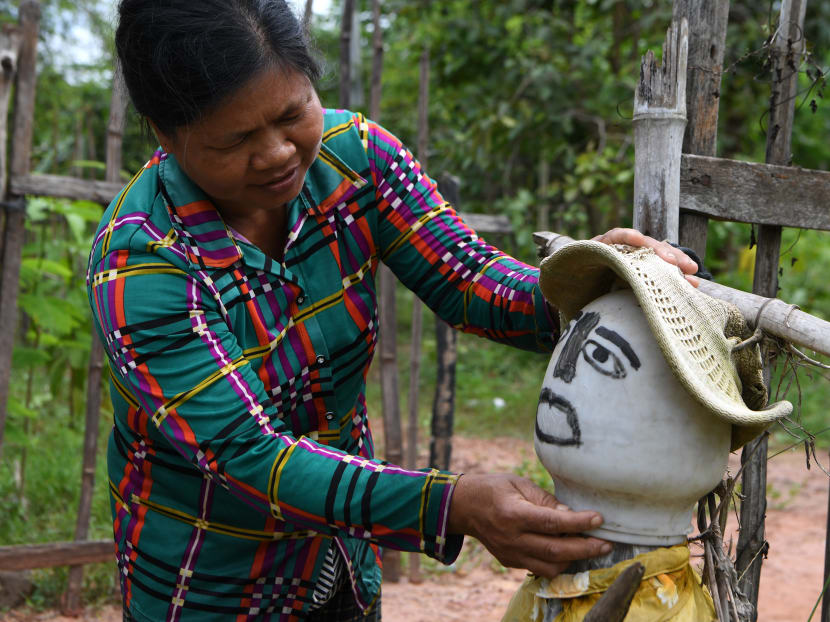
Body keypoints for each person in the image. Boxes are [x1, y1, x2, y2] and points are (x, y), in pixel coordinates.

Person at [88, 1, 700, 620]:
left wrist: (587, 283)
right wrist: (450, 505)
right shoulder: (142, 261)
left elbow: (468, 278)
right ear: (166, 134)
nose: (276, 153)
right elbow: (248, 455)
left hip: (343, 567)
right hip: (212, 582)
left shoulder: (354, 158)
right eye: (236, 139)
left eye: (292, 113)